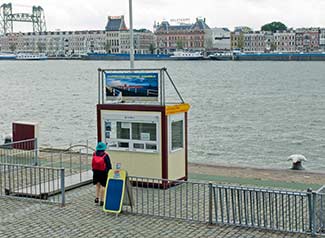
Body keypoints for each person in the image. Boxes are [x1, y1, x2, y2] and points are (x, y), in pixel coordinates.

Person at [92, 142, 112, 206]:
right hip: (103, 172)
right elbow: (109, 165)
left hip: (95, 171)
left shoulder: (94, 154)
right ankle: (102, 200)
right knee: (103, 186)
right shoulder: (105, 155)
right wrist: (109, 171)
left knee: (97, 185)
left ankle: (96, 198)